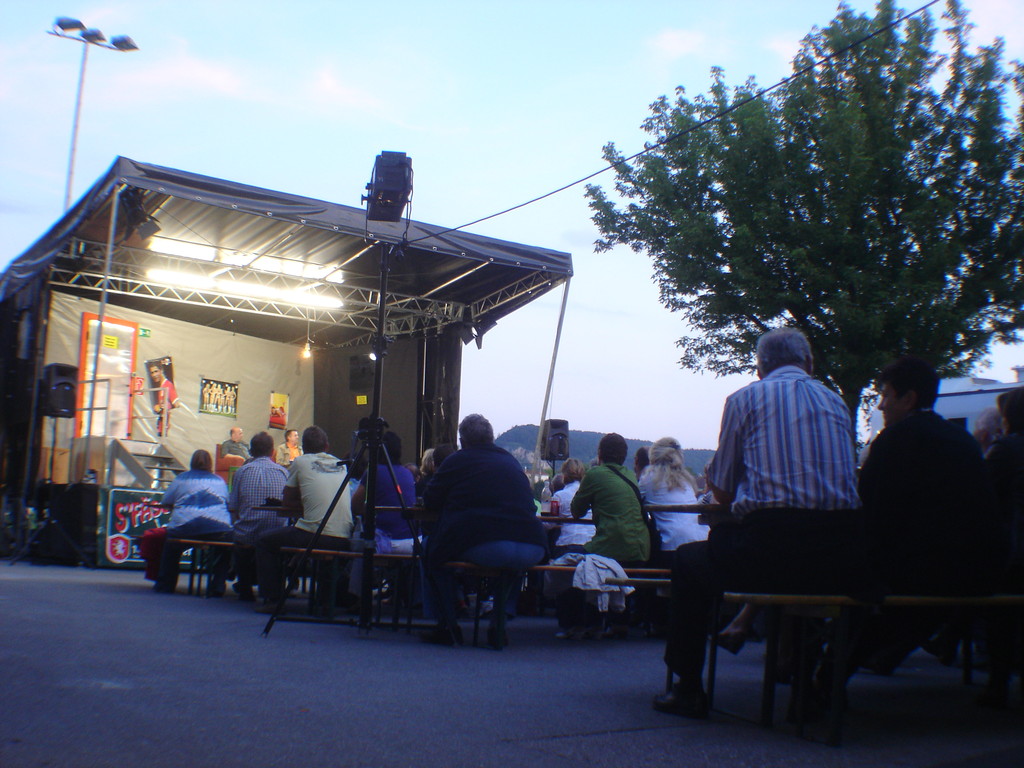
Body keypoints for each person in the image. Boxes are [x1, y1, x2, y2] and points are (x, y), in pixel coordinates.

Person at [654, 327, 873, 719]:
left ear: (760, 368)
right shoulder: (836, 402)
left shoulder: (746, 399)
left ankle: (687, 687)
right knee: (804, 565)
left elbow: (720, 491)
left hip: (772, 549)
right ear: (809, 363)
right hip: (843, 554)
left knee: (689, 562)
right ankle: (807, 688)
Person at [854, 356, 1008, 676]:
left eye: (885, 395)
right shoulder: (962, 441)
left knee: (860, 582)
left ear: (907, 398)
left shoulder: (893, 442)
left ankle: (826, 673)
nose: (881, 405)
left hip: (916, 573)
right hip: (975, 573)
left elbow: (868, 511)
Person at [421, 414, 547, 646]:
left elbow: (430, 500)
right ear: (491, 437)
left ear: (462, 440)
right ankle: (499, 623)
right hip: (533, 545)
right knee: (511, 566)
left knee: (430, 549)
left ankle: (448, 624)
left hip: (489, 545)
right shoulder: (511, 461)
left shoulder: (457, 461)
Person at [254, 425, 352, 611]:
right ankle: (323, 600)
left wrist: (305, 501)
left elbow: (288, 501)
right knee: (311, 539)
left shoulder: (300, 462)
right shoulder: (340, 464)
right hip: (343, 535)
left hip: (316, 534)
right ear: (327, 446)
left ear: (303, 448)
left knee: (264, 541)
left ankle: (272, 599)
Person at [561, 433, 649, 639]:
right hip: (641, 547)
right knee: (601, 559)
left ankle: (581, 623)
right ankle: (619, 622)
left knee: (573, 563)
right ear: (624, 456)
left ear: (599, 454)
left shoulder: (595, 474)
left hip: (613, 543)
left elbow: (576, 511)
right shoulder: (630, 475)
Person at [980, 386, 1024, 706]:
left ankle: (997, 681)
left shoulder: (1006, 450)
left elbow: (982, 498)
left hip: (1014, 558)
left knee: (998, 604)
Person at [153, 450, 233, 595]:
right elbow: (227, 502)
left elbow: (166, 501)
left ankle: (166, 585)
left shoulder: (180, 479)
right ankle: (218, 586)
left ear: (191, 462)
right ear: (210, 463)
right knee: (224, 549)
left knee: (171, 546)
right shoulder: (220, 481)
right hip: (217, 528)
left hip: (185, 527)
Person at [229, 431, 289, 601]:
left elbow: (233, 507)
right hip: (276, 532)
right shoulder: (284, 473)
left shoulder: (242, 472)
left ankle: (244, 585)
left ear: (251, 451)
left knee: (238, 535)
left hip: (247, 532)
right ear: (272, 451)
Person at [639, 437, 706, 561]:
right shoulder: (686, 479)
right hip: (700, 539)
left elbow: (635, 501)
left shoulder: (649, 478)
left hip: (672, 544)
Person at [352, 431, 417, 553]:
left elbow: (355, 506)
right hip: (412, 539)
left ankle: (355, 573)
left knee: (359, 547)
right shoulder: (407, 473)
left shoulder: (374, 471)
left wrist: (370, 509)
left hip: (387, 541)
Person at [147, 360, 180, 437]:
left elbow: (177, 404)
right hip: (161, 426)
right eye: (152, 373)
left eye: (156, 371)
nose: (154, 375)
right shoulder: (161, 386)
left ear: (161, 371)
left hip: (166, 427)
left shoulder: (168, 385)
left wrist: (163, 408)